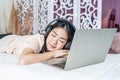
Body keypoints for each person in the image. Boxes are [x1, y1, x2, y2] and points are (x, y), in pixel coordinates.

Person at [0, 18, 76, 65]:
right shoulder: (37, 40)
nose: (54, 42)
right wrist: (53, 54)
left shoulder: (60, 48)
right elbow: (23, 61)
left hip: (14, 37)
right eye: (53, 35)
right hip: (4, 39)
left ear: (67, 44)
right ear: (48, 32)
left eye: (61, 41)